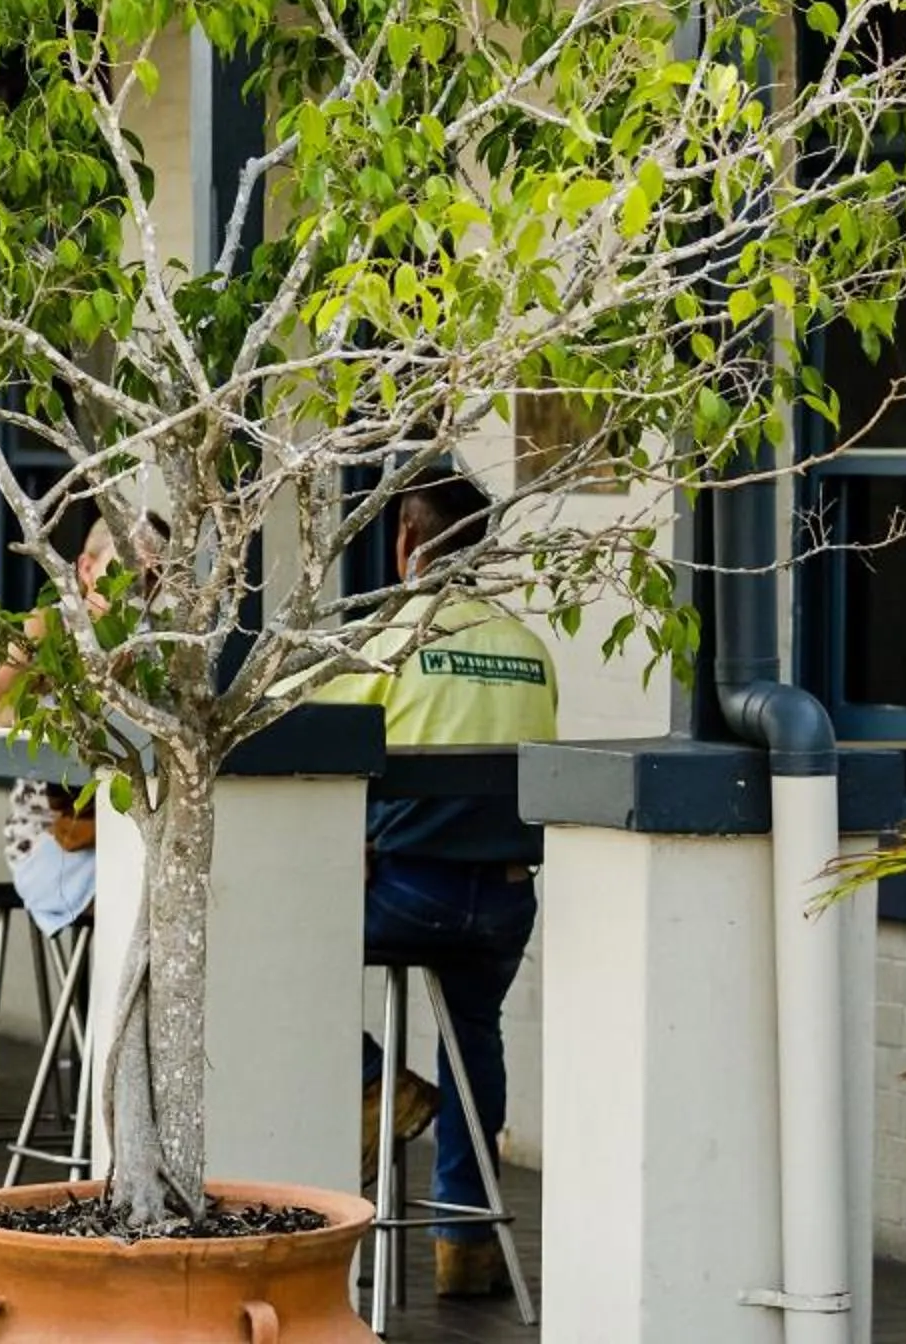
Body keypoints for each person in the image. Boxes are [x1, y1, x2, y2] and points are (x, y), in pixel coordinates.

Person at [316, 472, 559, 1302]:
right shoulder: (530, 648)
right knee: (475, 1034)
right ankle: (465, 1244)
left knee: (266, 955)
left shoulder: (388, 640)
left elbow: (291, 730)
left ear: (407, 546)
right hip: (504, 901)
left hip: (405, 897)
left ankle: (377, 1088)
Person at [0, 514, 167, 941]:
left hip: (126, 827)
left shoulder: (156, 647)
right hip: (53, 838)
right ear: (86, 568)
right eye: (126, 574)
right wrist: (63, 719)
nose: (140, 590)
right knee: (146, 886)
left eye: (154, 577)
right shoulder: (49, 627)